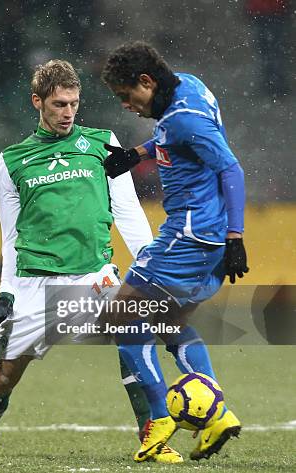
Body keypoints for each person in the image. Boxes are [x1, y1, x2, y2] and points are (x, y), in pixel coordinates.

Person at [0, 59, 182, 463]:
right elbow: (11, 236)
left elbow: (128, 210)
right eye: (60, 104)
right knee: (0, 380)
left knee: (133, 340)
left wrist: (153, 269)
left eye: (74, 104)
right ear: (37, 102)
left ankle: (153, 438)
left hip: (93, 275)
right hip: (33, 284)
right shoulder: (12, 161)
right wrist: (4, 296)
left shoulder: (102, 144)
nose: (68, 112)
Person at [100, 41, 248, 462]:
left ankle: (160, 417)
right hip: (205, 235)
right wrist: (137, 154)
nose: (127, 106)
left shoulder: (185, 118)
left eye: (127, 96)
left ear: (147, 82)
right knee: (166, 322)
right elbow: (173, 137)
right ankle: (216, 414)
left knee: (121, 315)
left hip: (190, 234)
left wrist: (237, 237)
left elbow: (230, 168)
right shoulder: (188, 87)